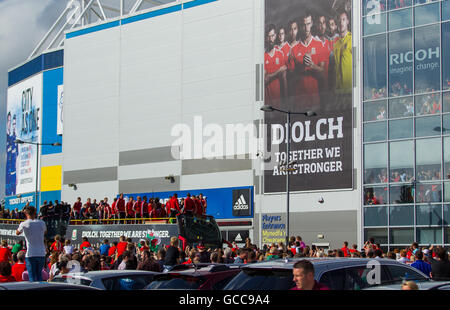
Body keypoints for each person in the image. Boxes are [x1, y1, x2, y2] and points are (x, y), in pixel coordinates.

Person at [16, 206, 47, 282]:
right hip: (41, 253)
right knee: (39, 275)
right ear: (35, 213)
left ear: (26, 213)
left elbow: (17, 233)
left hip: (31, 254)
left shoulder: (24, 224)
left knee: (32, 277)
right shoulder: (42, 223)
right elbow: (45, 232)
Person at [265, 24, 287, 109]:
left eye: (272, 35)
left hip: (279, 104)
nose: (271, 39)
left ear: (275, 36)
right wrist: (278, 71)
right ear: (265, 37)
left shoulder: (280, 54)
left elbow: (284, 79)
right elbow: (264, 79)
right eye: (268, 36)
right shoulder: (262, 56)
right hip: (266, 105)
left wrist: (285, 101)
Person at [333, 11, 352, 94]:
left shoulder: (352, 39)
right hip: (339, 89)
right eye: (339, 20)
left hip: (351, 88)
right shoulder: (336, 44)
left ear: (347, 21)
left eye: (343, 20)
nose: (341, 23)